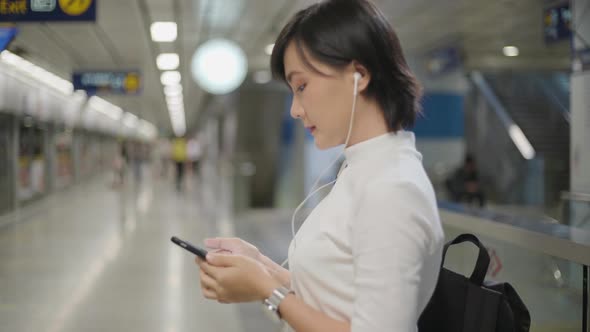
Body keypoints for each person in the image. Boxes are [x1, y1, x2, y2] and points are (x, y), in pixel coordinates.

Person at [195, 1, 445, 331]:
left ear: (359, 76)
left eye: (302, 86)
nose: (295, 110)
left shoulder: (392, 188)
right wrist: (259, 267)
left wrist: (268, 291)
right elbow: (330, 294)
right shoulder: (363, 171)